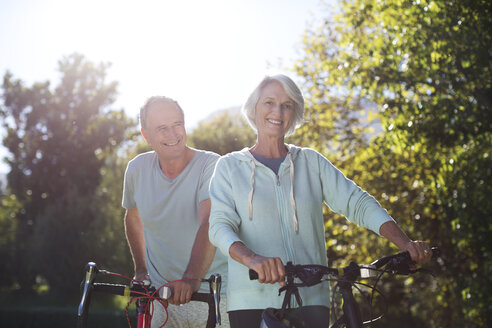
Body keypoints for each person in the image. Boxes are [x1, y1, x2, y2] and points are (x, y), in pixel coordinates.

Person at [208, 75, 433, 328]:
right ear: (254, 108)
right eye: (269, 102)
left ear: (294, 113)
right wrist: (252, 259)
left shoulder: (311, 162)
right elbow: (219, 227)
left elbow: (357, 202)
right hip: (251, 301)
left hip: (312, 300)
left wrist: (406, 244)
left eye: (287, 105)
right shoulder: (228, 167)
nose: (277, 112)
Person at [122, 96, 229, 327]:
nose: (172, 134)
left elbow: (209, 221)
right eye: (161, 128)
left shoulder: (212, 165)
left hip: (213, 297)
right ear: (146, 135)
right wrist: (140, 269)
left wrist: (191, 278)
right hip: (162, 300)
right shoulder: (136, 169)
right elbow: (133, 217)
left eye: (177, 124)